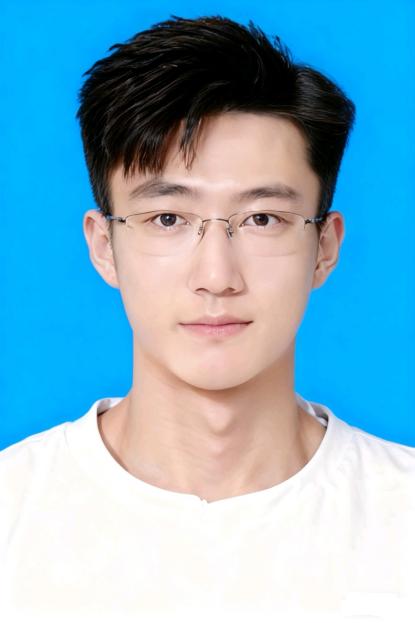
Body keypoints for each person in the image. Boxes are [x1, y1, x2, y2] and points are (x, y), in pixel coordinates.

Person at [1, 14, 414, 623]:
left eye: (263, 219)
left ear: (325, 246)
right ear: (103, 246)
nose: (217, 276)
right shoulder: (11, 516)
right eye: (167, 219)